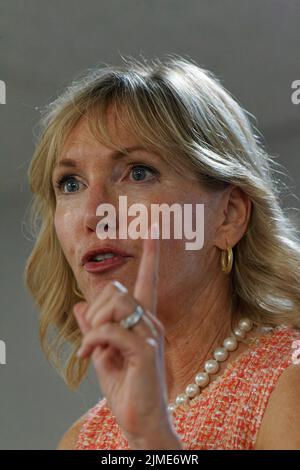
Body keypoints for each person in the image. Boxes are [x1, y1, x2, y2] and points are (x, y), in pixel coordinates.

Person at [24, 55, 300, 450]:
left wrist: (154, 441)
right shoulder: (82, 440)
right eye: (70, 183)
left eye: (138, 172)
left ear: (229, 216)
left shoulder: (289, 385)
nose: (92, 213)